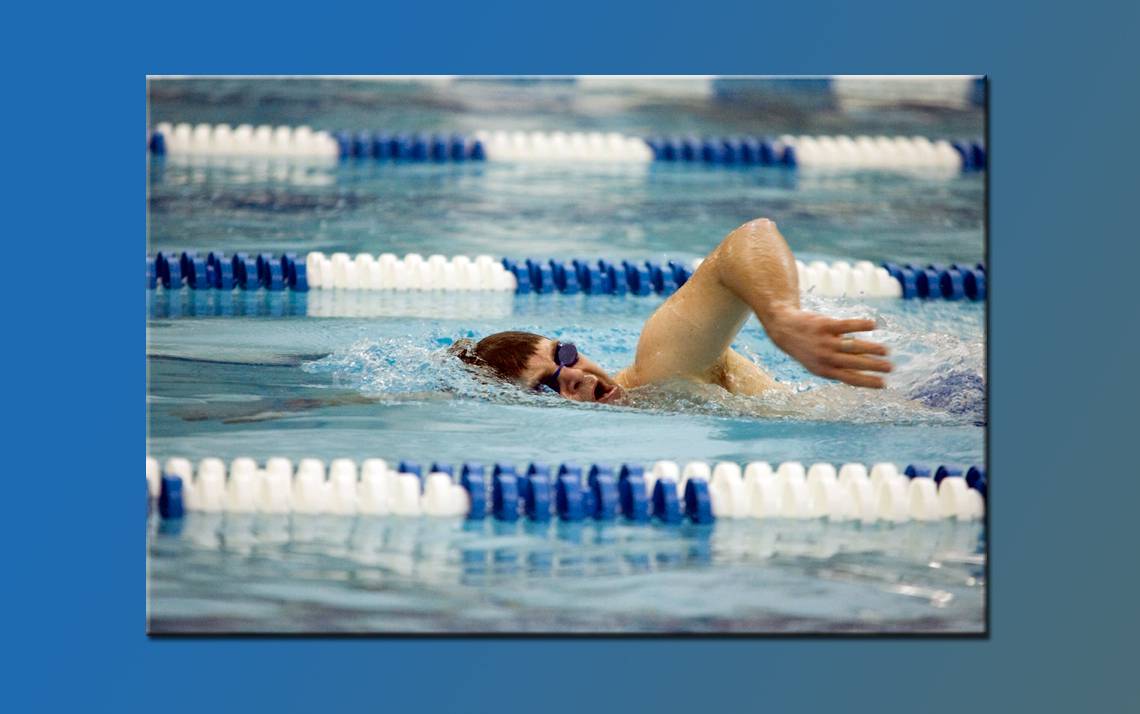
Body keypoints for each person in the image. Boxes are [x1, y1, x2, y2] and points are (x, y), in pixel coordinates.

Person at [450, 218, 892, 404]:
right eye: (547, 385)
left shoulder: (661, 367)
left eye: (563, 355)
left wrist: (780, 315)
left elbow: (749, 237)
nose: (574, 373)